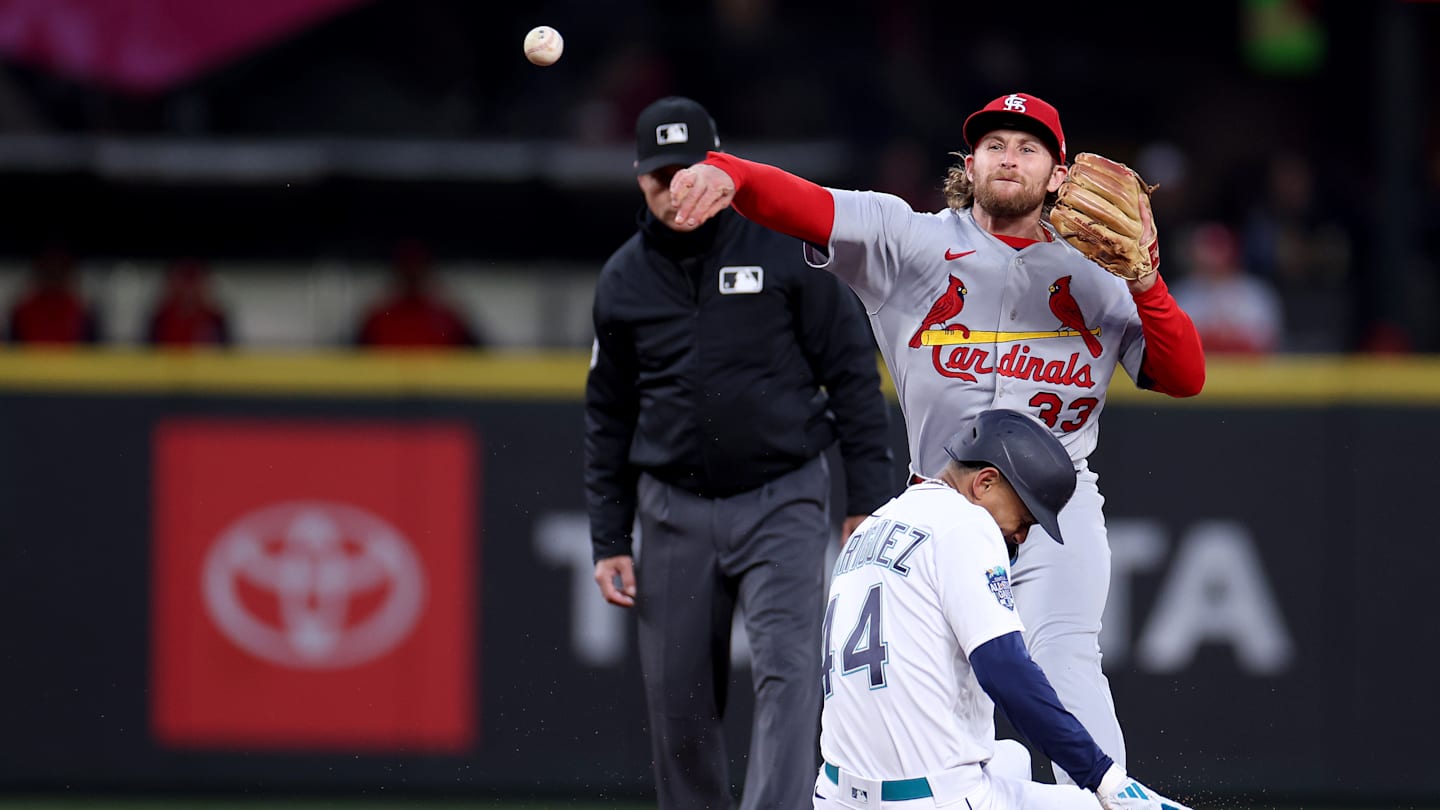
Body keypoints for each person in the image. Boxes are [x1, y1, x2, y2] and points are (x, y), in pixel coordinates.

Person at [667, 92, 1207, 783]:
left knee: (1067, 666)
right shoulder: (912, 241)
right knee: (932, 706)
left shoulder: (1102, 274)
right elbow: (809, 205)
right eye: (994, 145)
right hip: (941, 509)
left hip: (1056, 512)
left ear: (1058, 174)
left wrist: (1150, 284)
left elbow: (1184, 376)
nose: (1009, 157)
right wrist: (729, 173)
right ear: (970, 162)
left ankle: (1103, 801)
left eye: (1028, 147)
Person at [586, 96, 895, 810]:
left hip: (782, 495)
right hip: (672, 510)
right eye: (660, 176)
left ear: (717, 170)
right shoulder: (624, 280)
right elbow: (606, 415)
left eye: (688, 171)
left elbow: (851, 371)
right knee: (679, 703)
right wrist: (609, 534)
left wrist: (865, 502)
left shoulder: (782, 246)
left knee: (790, 676)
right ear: (638, 179)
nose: (675, 189)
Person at [815, 408, 1192, 810]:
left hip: (836, 796)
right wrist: (1105, 777)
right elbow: (1006, 671)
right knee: (1116, 807)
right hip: (932, 801)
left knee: (1013, 757)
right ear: (985, 482)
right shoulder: (965, 523)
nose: (1023, 535)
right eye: (1026, 516)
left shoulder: (874, 524)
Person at [1169, 222, 1283, 354]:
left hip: (1249, 372)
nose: (1212, 260)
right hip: (1196, 371)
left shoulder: (1255, 293)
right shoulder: (1181, 294)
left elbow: (1268, 343)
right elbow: (1174, 345)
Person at [355, 239, 482, 348]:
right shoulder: (378, 320)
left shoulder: (448, 319)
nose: (412, 277)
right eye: (407, 272)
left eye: (416, 271)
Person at [8, 245, 100, 344]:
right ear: (40, 270)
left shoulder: (82, 312)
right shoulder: (22, 311)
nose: (54, 273)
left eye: (59, 268)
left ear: (68, 272)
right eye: (49, 268)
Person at [146, 257, 232, 347]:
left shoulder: (217, 320)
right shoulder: (158, 319)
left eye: (193, 279)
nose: (188, 288)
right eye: (184, 279)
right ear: (170, 282)